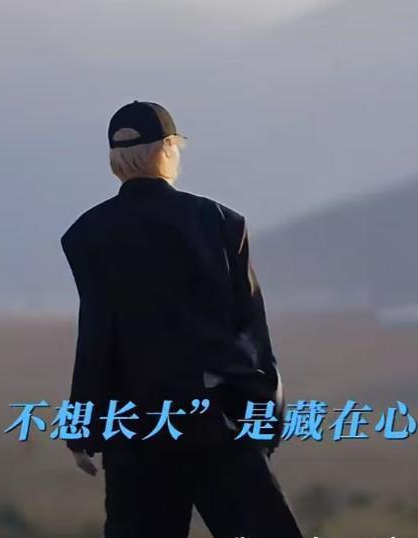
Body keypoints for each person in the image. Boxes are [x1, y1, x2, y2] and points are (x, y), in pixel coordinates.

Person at [61, 101, 303, 537]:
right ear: (169, 148)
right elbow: (250, 330)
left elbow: (96, 338)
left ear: (116, 158)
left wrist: (82, 427)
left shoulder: (87, 234)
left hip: (135, 431)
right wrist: (264, 418)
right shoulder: (220, 222)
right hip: (217, 420)